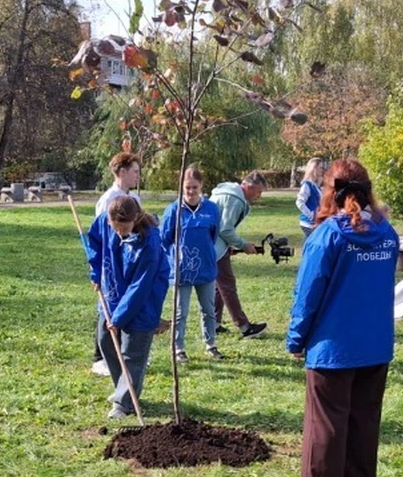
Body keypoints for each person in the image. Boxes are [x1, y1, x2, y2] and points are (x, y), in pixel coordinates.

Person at [286, 159, 398, 477]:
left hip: (333, 345)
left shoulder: (328, 236)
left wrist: (296, 338)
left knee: (326, 419)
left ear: (330, 191)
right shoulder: (387, 233)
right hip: (375, 344)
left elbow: (308, 293)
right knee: (364, 416)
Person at [86, 195, 170, 420]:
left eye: (123, 230)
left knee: (132, 351)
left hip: (144, 297)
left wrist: (120, 317)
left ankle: (123, 403)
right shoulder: (105, 222)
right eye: (115, 229)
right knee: (106, 340)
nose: (119, 234)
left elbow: (139, 287)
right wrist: (95, 273)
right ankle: (124, 389)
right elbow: (93, 242)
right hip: (113, 288)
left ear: (136, 219)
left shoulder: (149, 244)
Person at [160, 164, 223, 363]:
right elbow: (164, 238)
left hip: (205, 268)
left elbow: (213, 235)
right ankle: (178, 348)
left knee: (208, 309)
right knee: (181, 311)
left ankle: (211, 344)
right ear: (181, 187)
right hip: (181, 271)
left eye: (194, 187)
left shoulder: (211, 209)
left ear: (201, 186)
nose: (191, 191)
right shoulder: (173, 210)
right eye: (187, 187)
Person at [91, 153, 143, 376]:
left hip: (129, 261)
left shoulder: (133, 199)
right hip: (111, 262)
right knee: (108, 306)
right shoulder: (109, 199)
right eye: (135, 171)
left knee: (124, 305)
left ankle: (123, 354)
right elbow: (101, 235)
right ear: (122, 171)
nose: (137, 176)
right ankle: (100, 357)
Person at [211, 171, 269, 339]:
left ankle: (213, 323)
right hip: (215, 247)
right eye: (258, 192)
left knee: (219, 286)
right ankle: (244, 327)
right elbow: (225, 229)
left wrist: (229, 245)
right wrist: (243, 245)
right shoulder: (235, 200)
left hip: (213, 244)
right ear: (248, 186)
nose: (259, 196)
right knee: (227, 285)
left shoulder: (226, 191)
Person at [296, 157, 324, 238]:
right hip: (308, 223)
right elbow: (299, 202)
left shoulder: (315, 185)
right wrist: (311, 215)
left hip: (315, 223)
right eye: (320, 167)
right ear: (314, 168)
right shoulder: (307, 185)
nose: (322, 170)